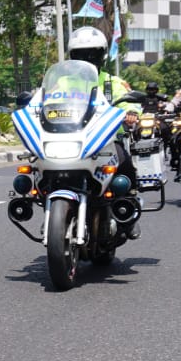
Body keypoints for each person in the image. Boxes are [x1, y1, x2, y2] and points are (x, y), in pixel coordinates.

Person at [67, 26, 143, 238]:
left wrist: (131, 112)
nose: (87, 58)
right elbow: (45, 101)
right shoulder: (64, 82)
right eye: (81, 54)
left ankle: (128, 213)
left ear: (102, 56)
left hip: (106, 141)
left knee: (125, 162)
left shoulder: (113, 83)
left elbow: (131, 103)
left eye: (92, 53)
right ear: (73, 56)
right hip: (72, 139)